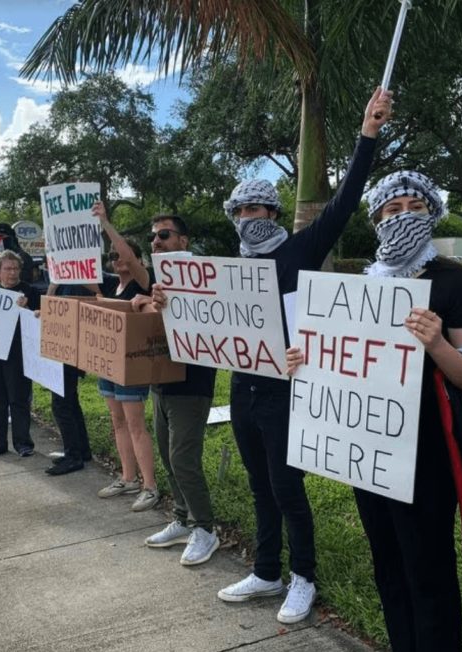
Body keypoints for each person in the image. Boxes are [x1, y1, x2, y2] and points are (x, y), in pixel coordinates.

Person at [156, 87, 390, 624]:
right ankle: (267, 571)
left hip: (289, 388)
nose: (248, 216)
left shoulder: (301, 249)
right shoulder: (225, 269)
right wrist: (170, 300)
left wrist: (367, 135)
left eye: (257, 207)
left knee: (287, 488)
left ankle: (303, 576)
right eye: (239, 210)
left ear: (274, 210)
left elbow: (347, 198)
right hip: (243, 387)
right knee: (259, 484)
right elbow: (196, 315)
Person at [288, 170, 462, 652]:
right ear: (375, 221)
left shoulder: (455, 283)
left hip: (426, 451)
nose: (399, 213)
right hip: (367, 449)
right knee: (388, 565)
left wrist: (438, 344)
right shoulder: (366, 284)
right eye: (388, 208)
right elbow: (345, 357)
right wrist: (309, 357)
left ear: (431, 210)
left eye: (411, 204)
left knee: (426, 570)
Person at [132, 215, 220, 566]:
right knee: (169, 457)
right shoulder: (161, 276)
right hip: (161, 381)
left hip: (192, 382)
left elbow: (199, 317)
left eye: (164, 235)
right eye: (153, 236)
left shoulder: (202, 275)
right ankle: (183, 519)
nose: (156, 241)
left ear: (183, 240)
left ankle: (205, 529)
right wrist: (146, 303)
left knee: (184, 458)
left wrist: (149, 304)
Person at [84, 202, 160, 512]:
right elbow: (76, 270)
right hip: (108, 365)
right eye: (113, 257)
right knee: (118, 423)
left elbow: (127, 254)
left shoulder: (145, 282)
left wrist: (105, 223)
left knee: (135, 424)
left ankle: (150, 485)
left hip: (132, 366)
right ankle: (128, 478)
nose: (118, 261)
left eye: (122, 256)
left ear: (138, 259)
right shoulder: (110, 286)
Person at [0, 250, 41, 459]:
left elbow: (40, 320)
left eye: (16, 268)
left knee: (19, 399)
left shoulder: (30, 293)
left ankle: (23, 443)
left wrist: (27, 309)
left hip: (19, 355)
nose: (12, 273)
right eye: (7, 268)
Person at [43, 281, 93, 476]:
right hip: (65, 353)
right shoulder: (63, 284)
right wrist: (53, 287)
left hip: (68, 354)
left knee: (61, 406)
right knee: (70, 403)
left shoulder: (74, 286)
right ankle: (81, 450)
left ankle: (74, 456)